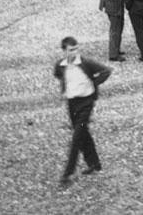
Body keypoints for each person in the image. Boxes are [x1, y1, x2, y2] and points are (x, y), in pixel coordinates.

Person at [53, 37, 111, 186]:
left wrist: (93, 84)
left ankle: (67, 174)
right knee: (83, 132)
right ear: (64, 51)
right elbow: (58, 74)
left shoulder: (85, 63)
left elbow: (106, 70)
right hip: (72, 104)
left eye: (76, 49)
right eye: (71, 50)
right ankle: (94, 163)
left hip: (86, 103)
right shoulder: (61, 65)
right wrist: (65, 90)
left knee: (77, 137)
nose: (75, 52)